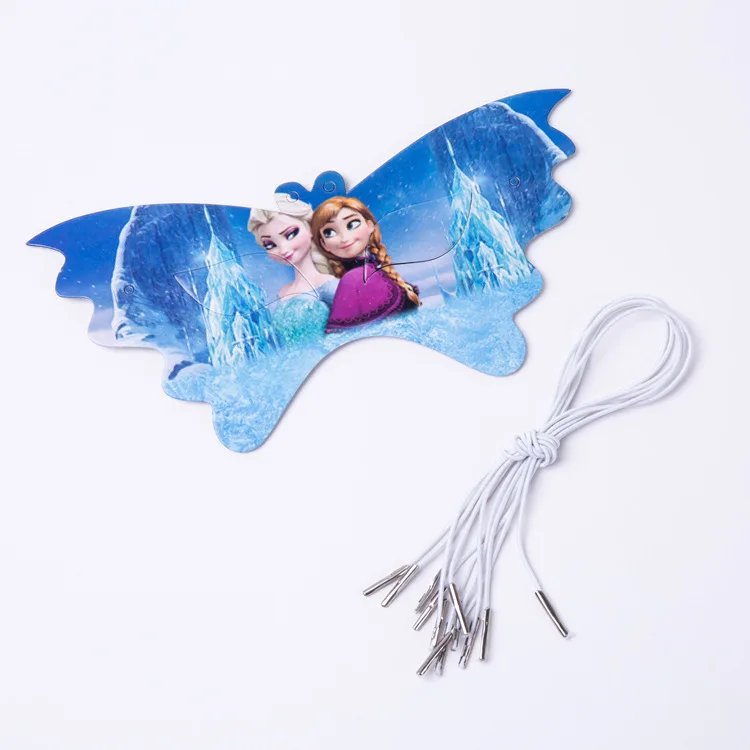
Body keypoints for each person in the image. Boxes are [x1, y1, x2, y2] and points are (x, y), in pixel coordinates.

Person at [310, 196, 420, 333]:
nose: (344, 238)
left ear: (370, 226)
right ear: (323, 244)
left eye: (352, 224)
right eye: (329, 232)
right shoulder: (356, 278)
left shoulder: (365, 275)